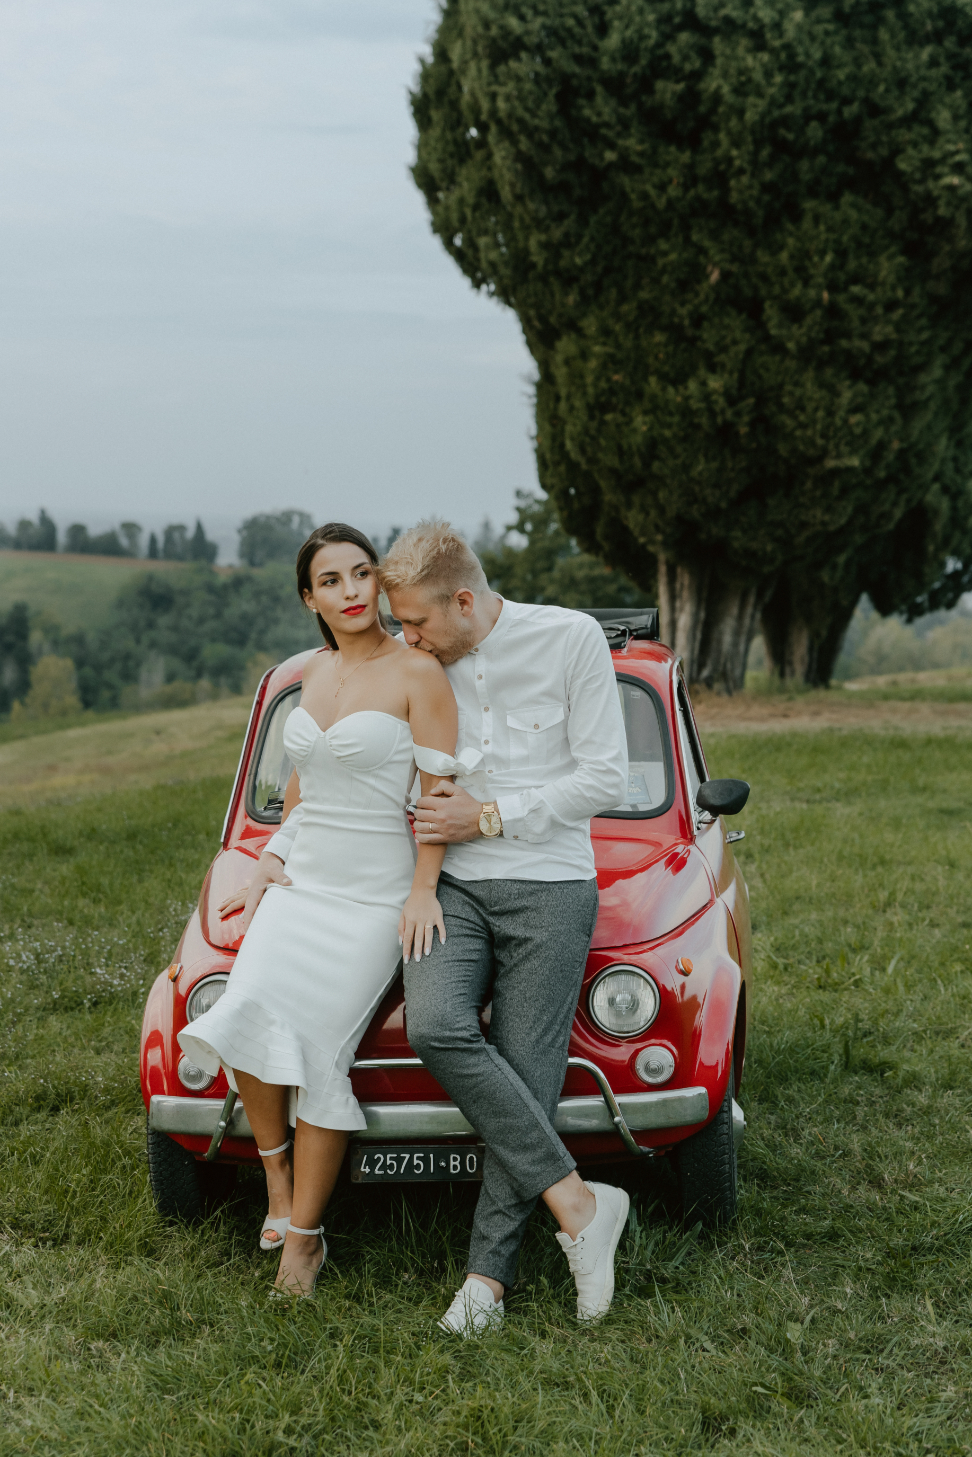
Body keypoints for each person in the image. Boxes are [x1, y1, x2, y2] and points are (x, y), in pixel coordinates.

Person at [179, 523, 462, 1296]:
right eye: (331, 580)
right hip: (302, 879)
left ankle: (304, 1241)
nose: (351, 591)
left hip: (373, 893)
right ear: (310, 598)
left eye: (361, 573)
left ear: (379, 581)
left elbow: (438, 793)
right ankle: (277, 1181)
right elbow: (304, 779)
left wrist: (423, 888)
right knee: (244, 1007)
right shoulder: (313, 671)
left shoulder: (419, 673)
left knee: (321, 1055)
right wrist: (271, 856)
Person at [381, 520, 630, 1335]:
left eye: (416, 621)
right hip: (452, 886)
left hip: (552, 884)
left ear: (464, 600)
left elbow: (604, 775)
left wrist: (489, 815)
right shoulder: (419, 663)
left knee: (527, 1071)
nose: (408, 637)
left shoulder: (570, 639)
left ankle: (485, 1281)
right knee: (436, 1024)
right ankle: (582, 1203)